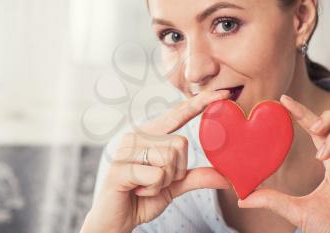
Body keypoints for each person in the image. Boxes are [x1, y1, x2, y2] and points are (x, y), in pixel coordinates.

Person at [80, 0, 330, 232]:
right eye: (173, 36)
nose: (194, 72)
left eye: (226, 24)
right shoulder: (139, 162)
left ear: (301, 18)